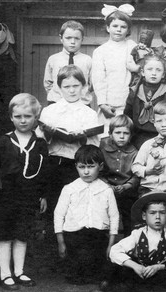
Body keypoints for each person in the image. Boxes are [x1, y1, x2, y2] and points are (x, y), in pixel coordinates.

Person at [0, 93, 48, 290]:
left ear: (35, 118)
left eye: (28, 116)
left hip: (28, 196)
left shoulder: (39, 143)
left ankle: (19, 271)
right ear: (11, 117)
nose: (23, 120)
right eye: (18, 116)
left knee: (22, 235)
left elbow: (44, 171)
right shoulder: (3, 142)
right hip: (5, 197)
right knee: (5, 236)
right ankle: (5, 274)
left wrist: (43, 195)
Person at [37, 65, 100, 214]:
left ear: (83, 87)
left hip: (77, 165)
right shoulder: (49, 111)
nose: (71, 90)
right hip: (54, 163)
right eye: (66, 86)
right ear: (59, 88)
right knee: (54, 206)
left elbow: (95, 145)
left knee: (76, 207)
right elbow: (39, 142)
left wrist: (83, 137)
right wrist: (49, 134)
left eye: (76, 86)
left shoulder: (89, 114)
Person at [53, 145, 119, 285]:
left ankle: (101, 277)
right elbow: (58, 215)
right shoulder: (69, 189)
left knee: (105, 264)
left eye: (91, 166)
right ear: (76, 166)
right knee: (76, 270)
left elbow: (114, 217)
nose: (86, 171)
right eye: (82, 167)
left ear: (100, 166)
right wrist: (61, 242)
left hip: (97, 235)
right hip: (74, 236)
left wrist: (110, 244)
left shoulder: (106, 190)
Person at [107, 191, 166, 291]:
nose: (157, 217)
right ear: (144, 216)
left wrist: (157, 267)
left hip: (161, 272)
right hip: (139, 270)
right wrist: (135, 266)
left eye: (162, 213)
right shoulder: (137, 233)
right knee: (120, 270)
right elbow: (115, 250)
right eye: (152, 213)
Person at [92, 4, 137, 136]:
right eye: (115, 26)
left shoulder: (132, 46)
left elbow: (142, 68)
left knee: (126, 135)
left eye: (123, 27)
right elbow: (98, 79)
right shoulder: (101, 51)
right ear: (107, 27)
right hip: (109, 104)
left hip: (128, 102)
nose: (119, 30)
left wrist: (136, 68)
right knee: (107, 135)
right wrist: (102, 104)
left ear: (128, 30)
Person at [124, 53, 166, 149]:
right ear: (142, 72)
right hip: (138, 138)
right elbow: (127, 116)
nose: (154, 73)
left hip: (162, 137)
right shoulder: (135, 91)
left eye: (158, 70)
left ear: (163, 75)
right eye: (150, 69)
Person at [99, 115, 139, 236]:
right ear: (110, 133)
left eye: (126, 133)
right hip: (106, 188)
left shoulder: (134, 152)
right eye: (117, 133)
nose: (121, 137)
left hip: (126, 190)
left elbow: (137, 175)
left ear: (131, 135)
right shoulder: (102, 147)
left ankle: (128, 241)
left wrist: (126, 186)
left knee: (129, 213)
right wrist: (107, 185)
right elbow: (98, 170)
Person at [44, 20, 92, 106]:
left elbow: (92, 84)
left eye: (77, 38)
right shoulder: (53, 59)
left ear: (82, 39)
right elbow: (48, 83)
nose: (73, 42)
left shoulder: (87, 60)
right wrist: (58, 97)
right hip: (57, 103)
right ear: (61, 38)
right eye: (68, 38)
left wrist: (82, 94)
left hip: (81, 104)